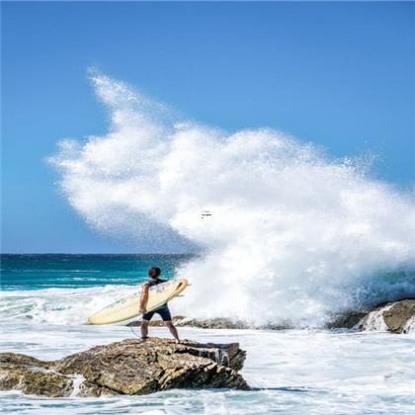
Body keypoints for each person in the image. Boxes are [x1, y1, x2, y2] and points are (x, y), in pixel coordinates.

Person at [139, 266, 180, 342]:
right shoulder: (165, 282)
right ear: (159, 274)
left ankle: (143, 338)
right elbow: (177, 286)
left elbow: (144, 295)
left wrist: (142, 307)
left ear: (149, 274)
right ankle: (177, 339)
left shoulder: (147, 284)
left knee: (144, 323)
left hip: (151, 306)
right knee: (169, 324)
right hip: (162, 306)